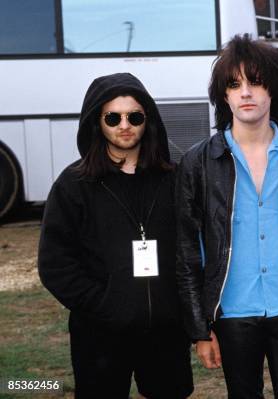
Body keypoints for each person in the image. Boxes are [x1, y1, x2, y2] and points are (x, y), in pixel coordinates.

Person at [175, 34, 278, 398]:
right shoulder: (198, 162)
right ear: (224, 94)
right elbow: (187, 252)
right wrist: (199, 328)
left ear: (273, 89)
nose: (245, 92)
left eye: (256, 81)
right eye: (234, 84)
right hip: (232, 311)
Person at [38, 73, 193, 399]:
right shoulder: (73, 185)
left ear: (147, 121)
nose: (125, 125)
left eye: (134, 116)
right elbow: (55, 264)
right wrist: (106, 304)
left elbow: (192, 248)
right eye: (113, 117)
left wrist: (179, 307)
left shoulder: (173, 180)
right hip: (100, 334)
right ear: (98, 122)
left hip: (165, 332)